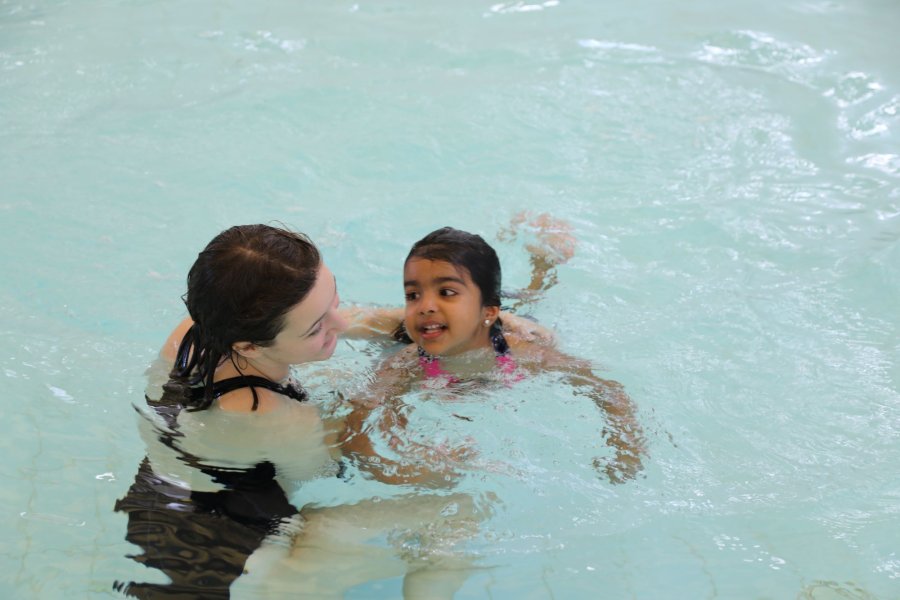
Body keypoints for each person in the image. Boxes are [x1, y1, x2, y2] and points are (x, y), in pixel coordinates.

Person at [343, 215, 646, 484]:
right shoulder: (405, 365)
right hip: (471, 325)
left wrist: (625, 453)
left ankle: (545, 260)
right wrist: (413, 467)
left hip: (513, 325)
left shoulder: (525, 353)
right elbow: (357, 429)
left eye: (446, 292)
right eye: (412, 295)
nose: (425, 306)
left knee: (531, 299)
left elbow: (608, 391)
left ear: (489, 312)